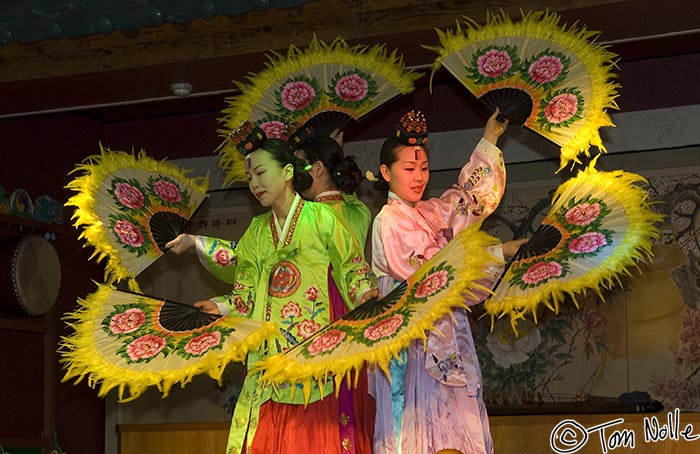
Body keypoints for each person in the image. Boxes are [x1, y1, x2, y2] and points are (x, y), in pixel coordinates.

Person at [192, 130, 379, 454]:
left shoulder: (321, 217)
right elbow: (245, 294)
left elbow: (351, 265)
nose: (255, 184)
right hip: (269, 355)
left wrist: (363, 293)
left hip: (313, 351)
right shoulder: (256, 231)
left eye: (262, 173)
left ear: (289, 171)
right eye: (250, 177)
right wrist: (219, 306)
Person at [369, 108, 526, 454]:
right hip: (412, 344)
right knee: (415, 429)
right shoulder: (389, 220)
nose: (418, 177)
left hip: (448, 333)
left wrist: (491, 137)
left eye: (423, 168)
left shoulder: (430, 212)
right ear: (385, 172)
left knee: (460, 427)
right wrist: (502, 253)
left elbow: (467, 199)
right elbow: (431, 276)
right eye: (409, 169)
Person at [293, 131, 371, 248]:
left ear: (318, 168)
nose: (295, 174)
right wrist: (331, 150)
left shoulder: (308, 217)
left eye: (299, 166)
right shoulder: (360, 210)